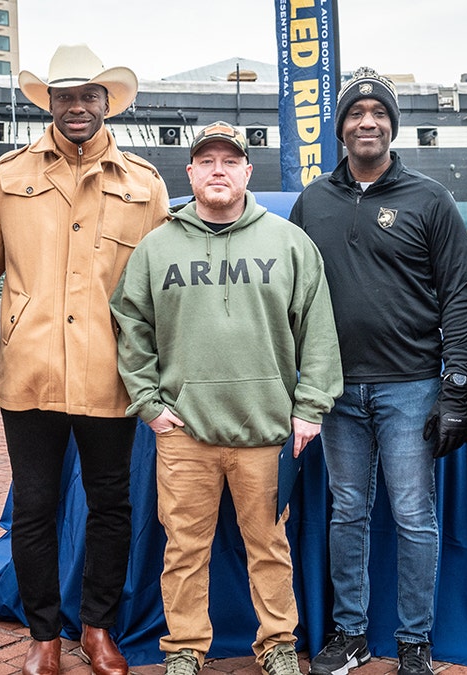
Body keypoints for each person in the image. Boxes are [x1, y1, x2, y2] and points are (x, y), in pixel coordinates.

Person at [110, 121, 343, 675]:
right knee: (183, 550)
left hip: (265, 432)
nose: (219, 170)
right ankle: (185, 648)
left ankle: (278, 643)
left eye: (230, 161)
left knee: (269, 547)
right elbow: (130, 325)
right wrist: (149, 404)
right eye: (207, 162)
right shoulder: (157, 246)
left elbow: (318, 330)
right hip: (184, 432)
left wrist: (310, 407)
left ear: (247, 171)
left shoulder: (288, 242)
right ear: (190, 172)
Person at [0, 44, 169, 675]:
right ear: (49, 103)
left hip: (111, 373)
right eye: (64, 96)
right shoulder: (8, 176)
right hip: (29, 370)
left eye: (89, 95)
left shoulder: (144, 184)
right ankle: (43, 636)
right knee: (34, 507)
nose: (77, 106)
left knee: (110, 506)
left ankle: (97, 627)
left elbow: (161, 287)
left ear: (107, 102)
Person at [288, 67, 467, 675]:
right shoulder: (313, 201)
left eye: (378, 114)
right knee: (347, 511)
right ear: (340, 127)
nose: (367, 122)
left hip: (412, 387)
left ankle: (415, 640)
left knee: (414, 516)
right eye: (355, 113)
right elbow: (290, 294)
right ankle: (351, 634)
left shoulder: (430, 199)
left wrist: (455, 389)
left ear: (393, 126)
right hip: (335, 390)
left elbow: (460, 296)